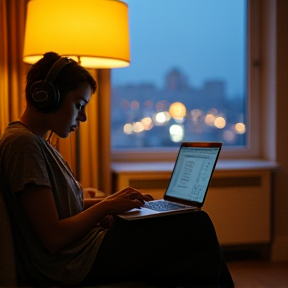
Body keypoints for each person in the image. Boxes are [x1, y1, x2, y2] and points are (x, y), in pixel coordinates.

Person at [0, 52, 234, 288]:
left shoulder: (37, 143)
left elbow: (61, 208)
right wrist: (106, 206)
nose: (83, 117)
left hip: (83, 252)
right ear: (47, 96)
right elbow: (53, 236)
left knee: (193, 250)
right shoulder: (23, 144)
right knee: (198, 225)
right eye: (79, 104)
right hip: (73, 263)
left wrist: (116, 201)